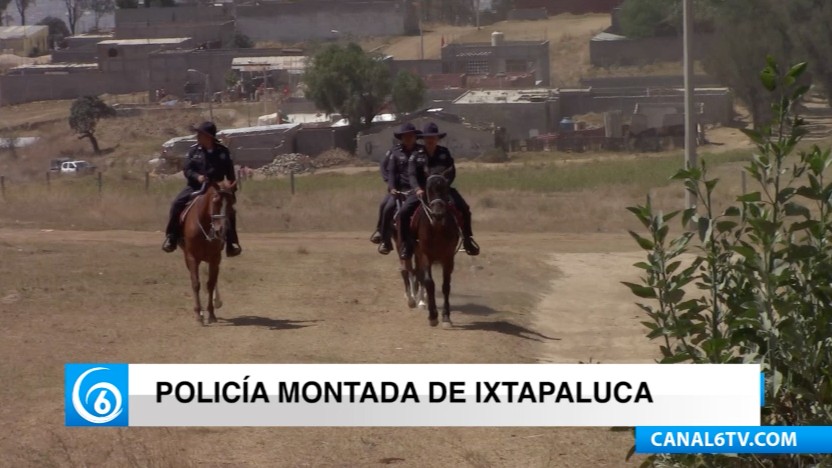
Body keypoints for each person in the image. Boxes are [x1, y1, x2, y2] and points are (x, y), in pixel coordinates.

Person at [397, 122, 480, 260]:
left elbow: (452, 171)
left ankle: (467, 239)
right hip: (422, 191)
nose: (430, 140)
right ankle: (407, 244)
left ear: (437, 139)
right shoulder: (416, 155)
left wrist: (445, 184)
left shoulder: (444, 153)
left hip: (442, 190)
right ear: (423, 139)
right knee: (404, 212)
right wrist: (417, 188)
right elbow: (411, 174)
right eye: (428, 137)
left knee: (464, 208)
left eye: (433, 137)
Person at [162, 121, 242, 257]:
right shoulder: (194, 151)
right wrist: (197, 177)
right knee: (176, 204)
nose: (197, 136)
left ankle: (231, 243)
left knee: (229, 212)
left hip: (217, 188)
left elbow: (230, 175)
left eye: (200, 134)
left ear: (208, 136)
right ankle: (172, 237)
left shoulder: (223, 152)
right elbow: (187, 170)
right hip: (195, 186)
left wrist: (230, 191)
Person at [370, 122, 422, 255]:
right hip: (399, 189)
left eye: (411, 136)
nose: (408, 138)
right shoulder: (395, 152)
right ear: (401, 137)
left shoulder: (422, 151)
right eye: (405, 136)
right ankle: (384, 238)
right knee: (386, 207)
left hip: (418, 189)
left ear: (415, 136)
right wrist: (391, 186)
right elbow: (388, 169)